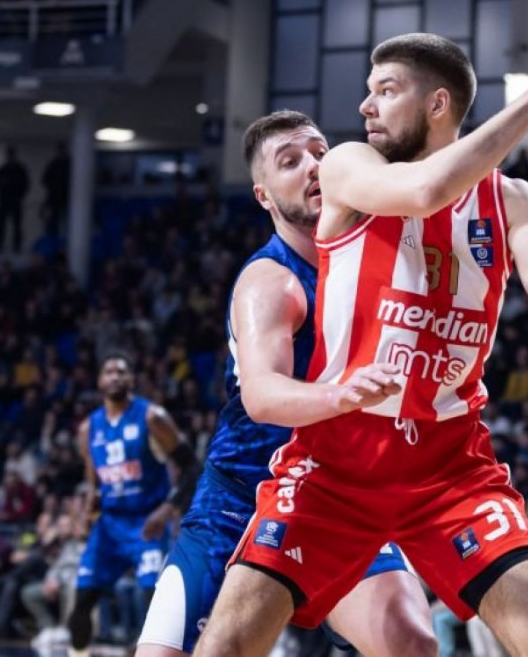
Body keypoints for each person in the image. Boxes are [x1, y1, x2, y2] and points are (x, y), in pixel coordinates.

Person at [198, 19, 528, 657]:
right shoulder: (347, 166)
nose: (365, 105)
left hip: (451, 466)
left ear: (437, 103)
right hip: (337, 462)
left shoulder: (512, 199)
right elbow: (424, 191)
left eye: (385, 90)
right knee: (227, 645)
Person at [136, 111, 435, 657]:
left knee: (411, 642)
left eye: (320, 152)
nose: (314, 167)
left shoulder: (376, 261)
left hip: (337, 499)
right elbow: (263, 396)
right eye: (290, 161)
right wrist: (340, 395)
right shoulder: (270, 281)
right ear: (264, 196)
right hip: (243, 498)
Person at [67, 351, 201, 657]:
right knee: (83, 598)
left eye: (121, 371)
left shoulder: (152, 417)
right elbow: (94, 480)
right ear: (99, 381)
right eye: (109, 371)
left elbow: (193, 468)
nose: (115, 376)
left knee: (155, 598)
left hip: (147, 522)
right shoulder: (88, 429)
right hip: (109, 524)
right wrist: (87, 512)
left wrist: (167, 509)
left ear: (132, 380)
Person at [0, 145, 29, 253]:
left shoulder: (20, 170)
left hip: (15, 201)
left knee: (16, 226)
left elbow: (25, 184)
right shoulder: (3, 169)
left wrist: (19, 194)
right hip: (4, 200)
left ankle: (16, 247)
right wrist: (3, 184)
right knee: (0, 225)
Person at [41, 141, 70, 237]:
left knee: (67, 221)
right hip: (54, 197)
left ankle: (65, 240)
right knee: (53, 221)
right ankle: (53, 239)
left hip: (66, 197)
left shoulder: (69, 164)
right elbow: (45, 179)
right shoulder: (53, 164)